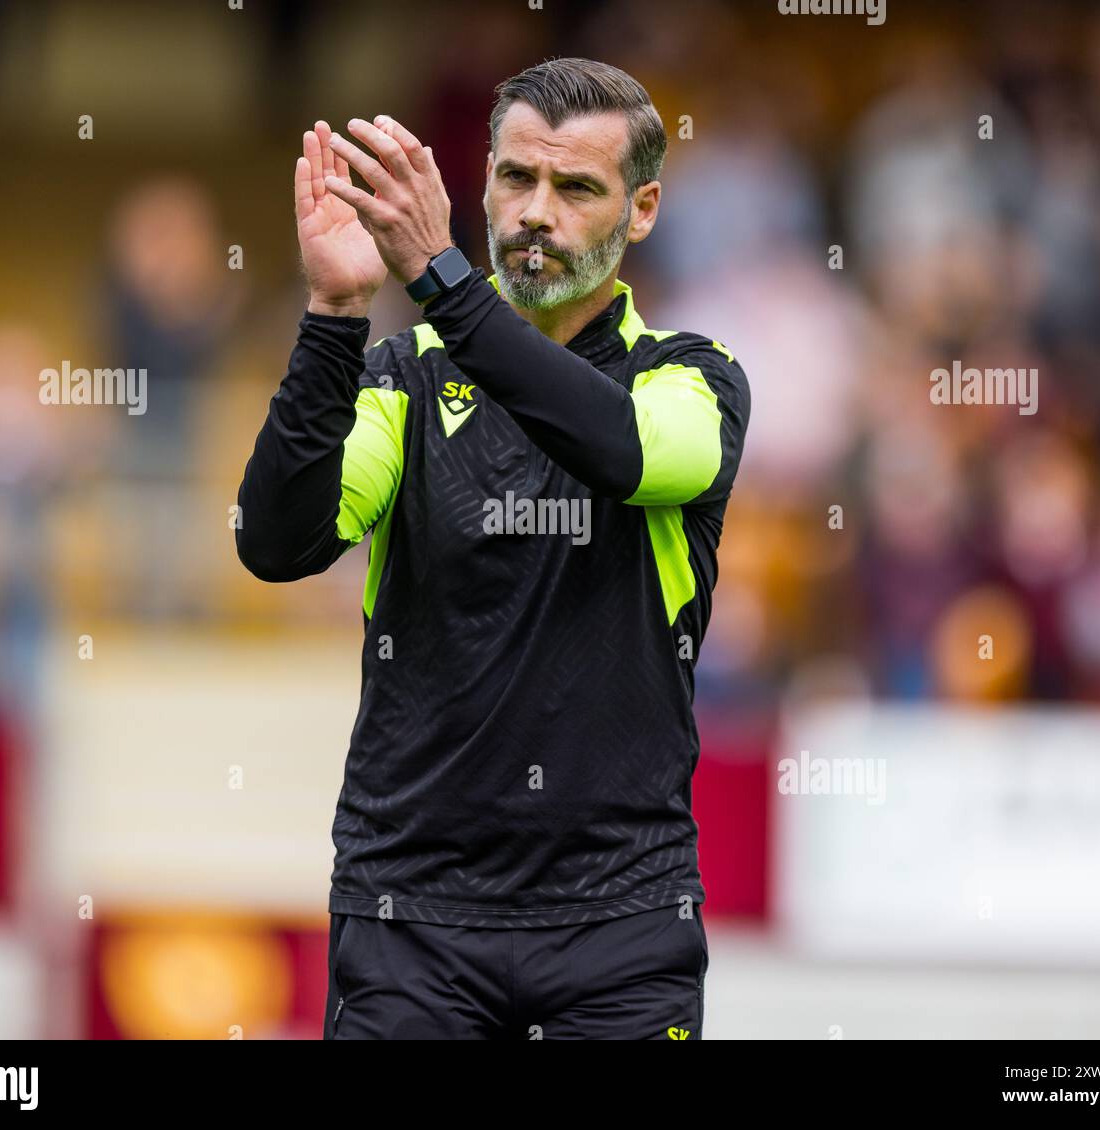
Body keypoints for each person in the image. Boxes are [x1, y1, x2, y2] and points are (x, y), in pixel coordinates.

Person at [235, 57, 749, 1040]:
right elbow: (275, 542)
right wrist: (335, 318)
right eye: (517, 178)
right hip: (410, 922)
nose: (536, 213)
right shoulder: (400, 380)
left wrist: (438, 278)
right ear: (482, 185)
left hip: (621, 927)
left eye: (576, 187)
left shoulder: (692, 376)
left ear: (640, 211)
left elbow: (629, 452)